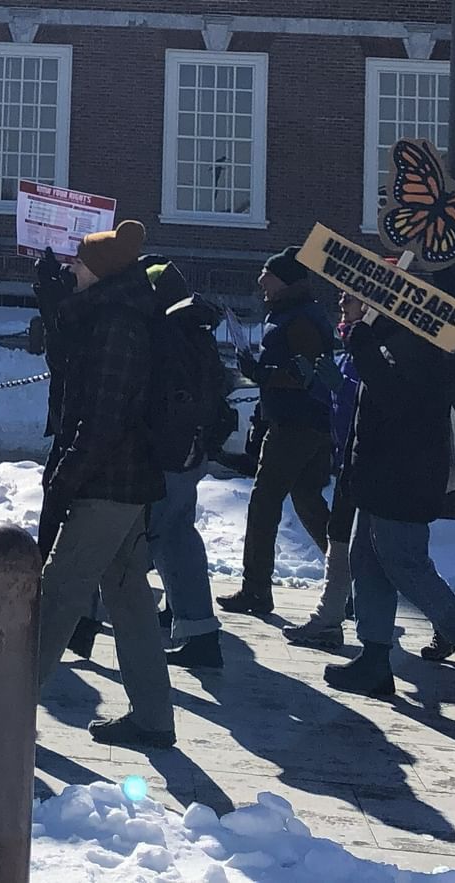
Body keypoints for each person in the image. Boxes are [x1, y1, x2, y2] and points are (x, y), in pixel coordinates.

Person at [321, 266, 455, 712]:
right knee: (366, 562)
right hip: (379, 472)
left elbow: (401, 403)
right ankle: (374, 659)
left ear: (379, 300)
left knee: (406, 564)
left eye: (350, 293)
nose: (341, 301)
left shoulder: (414, 339)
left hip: (404, 475)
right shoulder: (385, 335)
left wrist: (364, 349)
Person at [31, 221, 175, 749]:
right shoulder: (114, 313)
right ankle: (154, 717)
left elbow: (104, 416)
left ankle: (7, 704)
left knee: (61, 591)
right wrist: (54, 308)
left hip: (108, 481)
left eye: (79, 261)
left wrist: (70, 472)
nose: (71, 267)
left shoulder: (118, 324)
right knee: (127, 593)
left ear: (101, 270)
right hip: (124, 478)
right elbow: (71, 373)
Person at [225, 250, 334, 617]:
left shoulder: (298, 320)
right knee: (308, 500)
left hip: (296, 423)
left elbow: (304, 374)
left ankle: (256, 589)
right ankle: (351, 581)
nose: (260, 282)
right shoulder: (294, 313)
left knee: (264, 501)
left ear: (285, 280)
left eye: (266, 274)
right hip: (306, 420)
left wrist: (260, 373)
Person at [144, 259, 233, 668]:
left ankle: (196, 630)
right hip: (189, 451)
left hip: (168, 454)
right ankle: (191, 622)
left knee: (161, 537)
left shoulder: (165, 335)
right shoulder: (193, 330)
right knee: (176, 535)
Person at [282, 295, 365, 652]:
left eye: (352, 296)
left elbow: (371, 402)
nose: (342, 300)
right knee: (341, 538)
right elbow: (341, 404)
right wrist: (316, 384)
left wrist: (338, 387)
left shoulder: (373, 348)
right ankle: (328, 620)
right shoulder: (351, 347)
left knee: (397, 557)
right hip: (350, 458)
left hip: (369, 461)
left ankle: (453, 628)